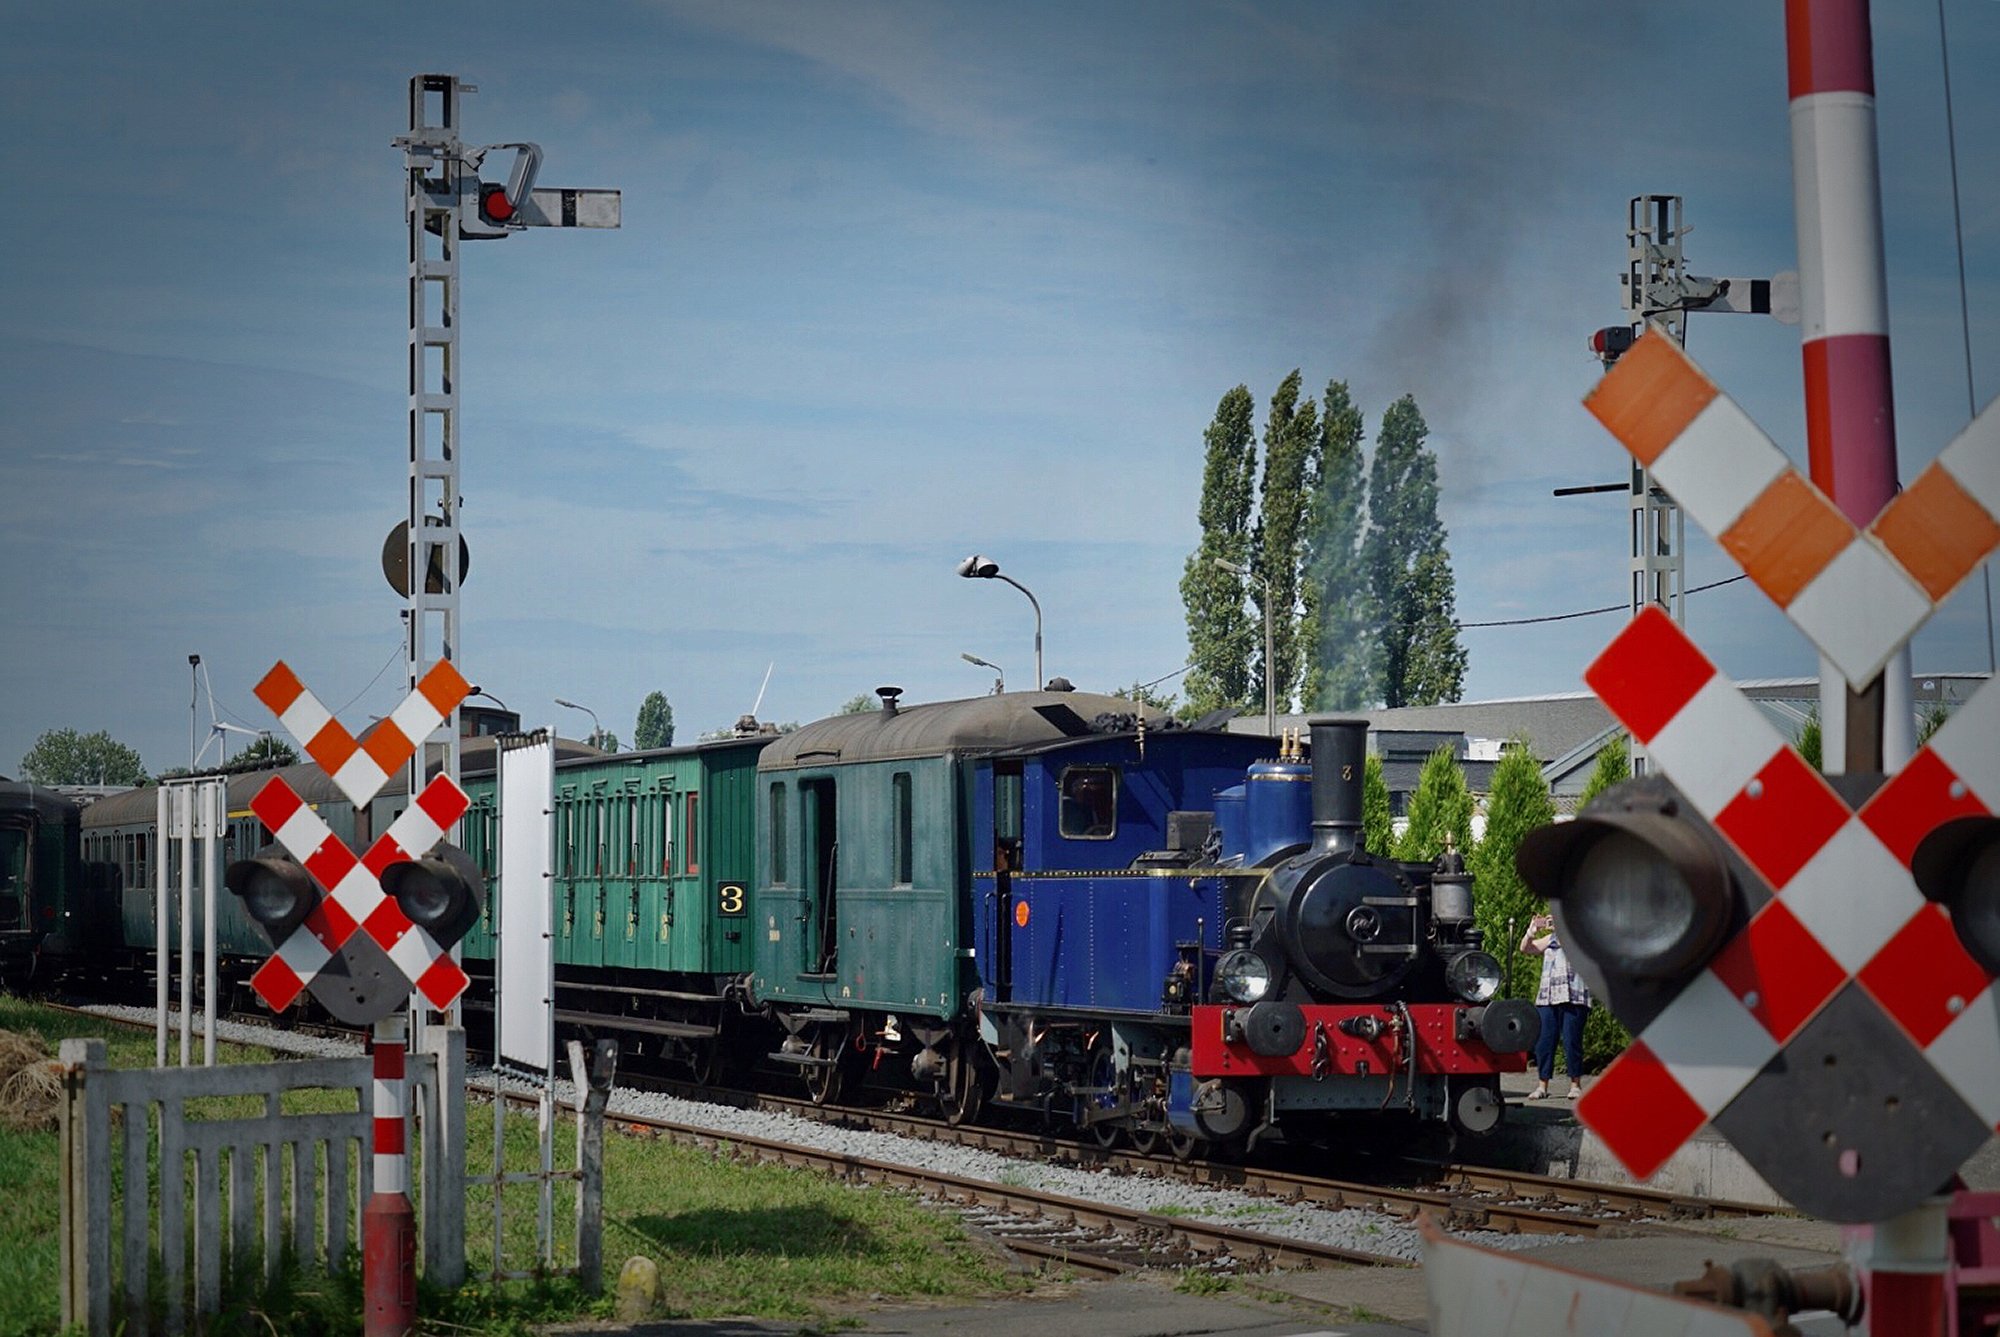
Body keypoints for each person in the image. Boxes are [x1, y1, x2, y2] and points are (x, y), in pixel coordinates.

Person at [1519, 911, 1590, 1099]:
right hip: (1548, 997)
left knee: (1572, 1041)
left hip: (1573, 996)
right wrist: (1531, 932)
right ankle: (1542, 1086)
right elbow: (1525, 948)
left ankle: (1575, 1085)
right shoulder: (1550, 939)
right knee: (1544, 1043)